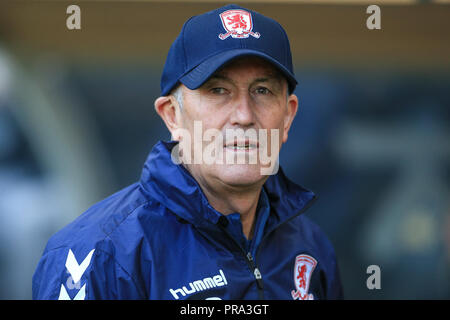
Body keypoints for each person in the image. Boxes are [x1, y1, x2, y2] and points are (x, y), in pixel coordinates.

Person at [32, 4, 343, 300]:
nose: (244, 115)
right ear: (172, 116)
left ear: (287, 117)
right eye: (217, 91)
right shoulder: (98, 254)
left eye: (262, 91)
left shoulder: (309, 247)